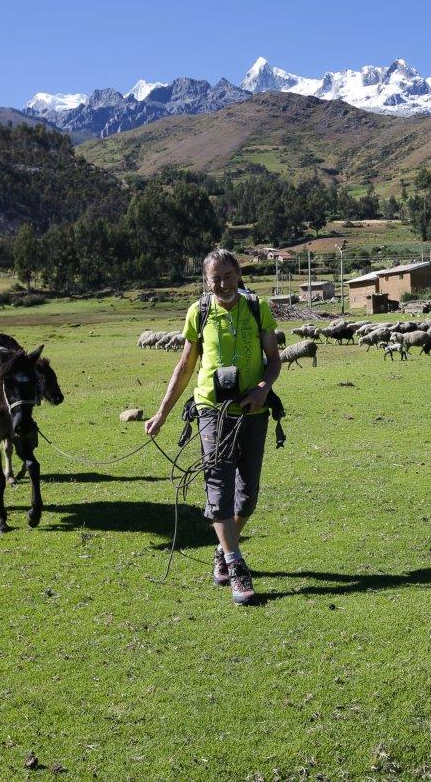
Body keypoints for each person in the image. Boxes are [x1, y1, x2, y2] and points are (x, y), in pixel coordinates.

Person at [144, 249, 281, 605]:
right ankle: (236, 566)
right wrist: (161, 413)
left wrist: (263, 389)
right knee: (218, 489)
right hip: (211, 410)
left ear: (238, 274)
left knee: (247, 498)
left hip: (252, 411)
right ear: (206, 281)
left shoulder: (257, 308)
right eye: (214, 278)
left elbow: (274, 361)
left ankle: (223, 549)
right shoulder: (199, 312)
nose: (222, 283)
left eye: (227, 275)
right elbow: (185, 366)